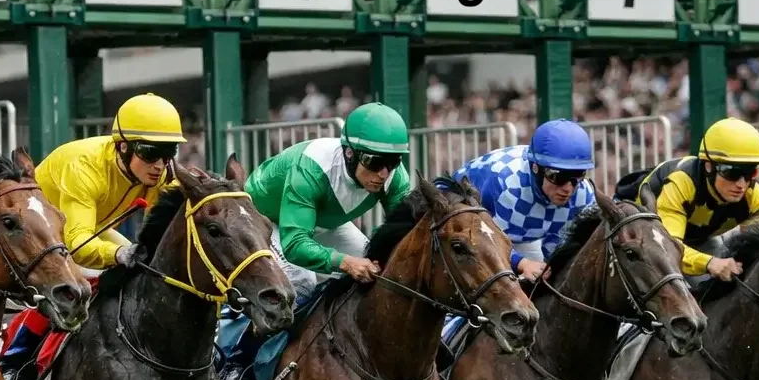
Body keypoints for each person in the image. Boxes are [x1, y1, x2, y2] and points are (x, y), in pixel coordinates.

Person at [244, 101, 413, 299]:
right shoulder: (309, 170)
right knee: (301, 281)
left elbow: (402, 230)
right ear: (350, 153)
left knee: (373, 269)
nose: (384, 174)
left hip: (320, 222)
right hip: (265, 221)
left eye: (393, 162)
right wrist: (345, 262)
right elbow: (295, 244)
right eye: (374, 162)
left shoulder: (395, 176)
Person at [34, 92, 183, 272]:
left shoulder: (159, 173)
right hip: (39, 236)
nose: (160, 165)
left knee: (144, 266)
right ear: (123, 146)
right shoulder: (84, 167)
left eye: (168, 152)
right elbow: (78, 245)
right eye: (150, 153)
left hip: (91, 231)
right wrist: (118, 253)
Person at [453, 119, 596, 283]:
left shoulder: (583, 194)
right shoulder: (508, 185)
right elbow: (486, 242)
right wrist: (522, 263)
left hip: (516, 232)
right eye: (558, 177)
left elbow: (558, 248)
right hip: (464, 216)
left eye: (578, 176)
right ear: (536, 168)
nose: (568, 189)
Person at [635, 117, 759, 280]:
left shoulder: (751, 194)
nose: (741, 184)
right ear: (709, 166)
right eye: (732, 172)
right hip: (647, 242)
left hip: (699, 240)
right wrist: (709, 263)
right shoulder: (681, 184)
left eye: (750, 172)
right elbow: (668, 249)